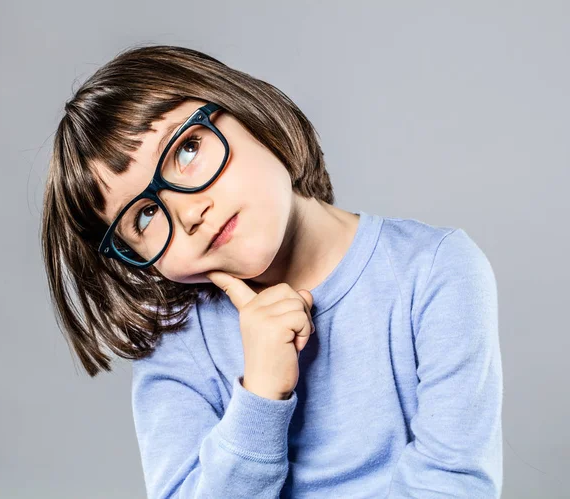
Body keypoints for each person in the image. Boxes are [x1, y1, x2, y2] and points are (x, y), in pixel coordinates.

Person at [40, 44, 503, 498]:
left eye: (186, 150)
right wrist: (261, 395)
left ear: (249, 112)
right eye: (144, 216)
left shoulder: (435, 270)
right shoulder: (176, 346)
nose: (188, 213)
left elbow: (452, 482)